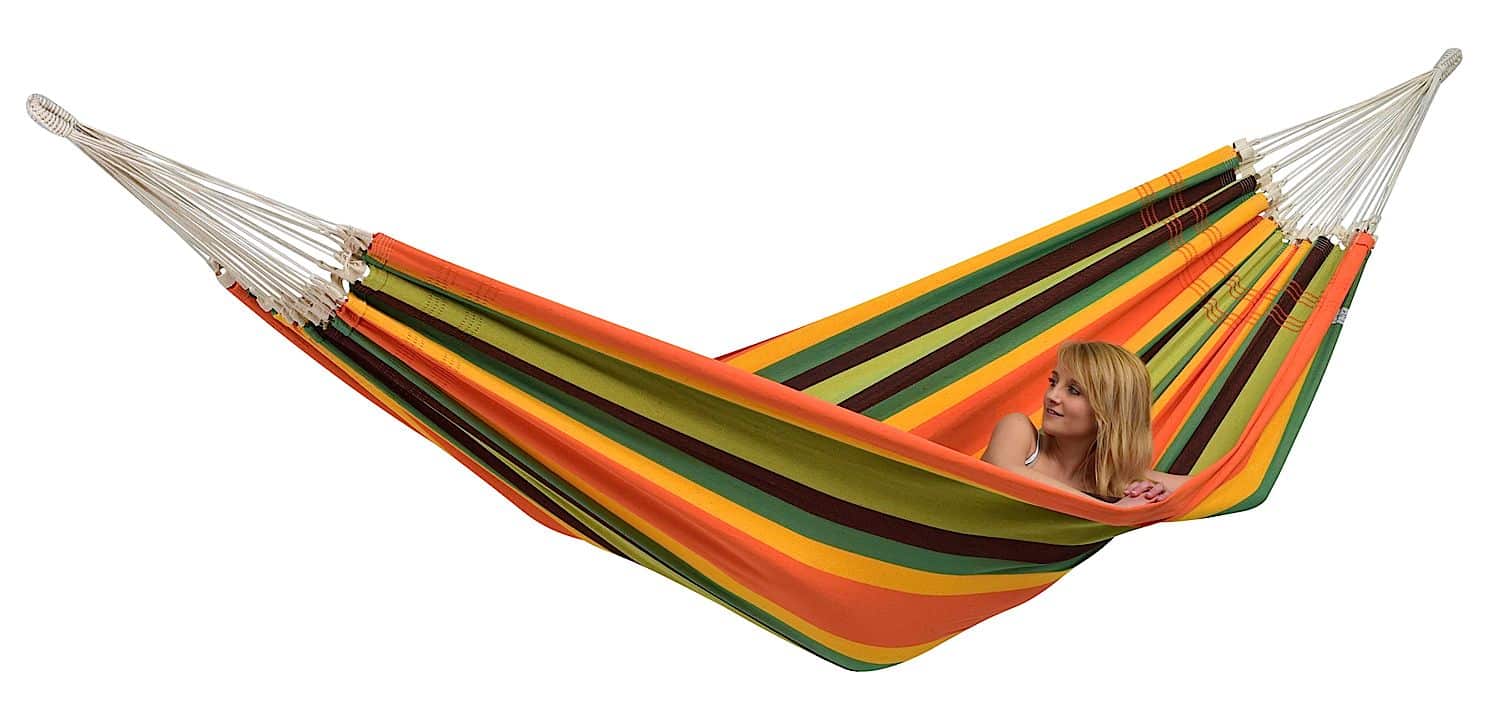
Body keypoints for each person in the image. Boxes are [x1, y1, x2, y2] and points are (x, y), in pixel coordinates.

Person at [980, 340, 1182, 506]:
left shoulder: (1117, 479)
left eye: (1074, 391)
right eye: (1053, 382)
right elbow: (1001, 473)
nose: (1052, 395)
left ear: (1110, 411)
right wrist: (1110, 511)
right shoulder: (1019, 431)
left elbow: (1199, 492)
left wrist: (1154, 493)